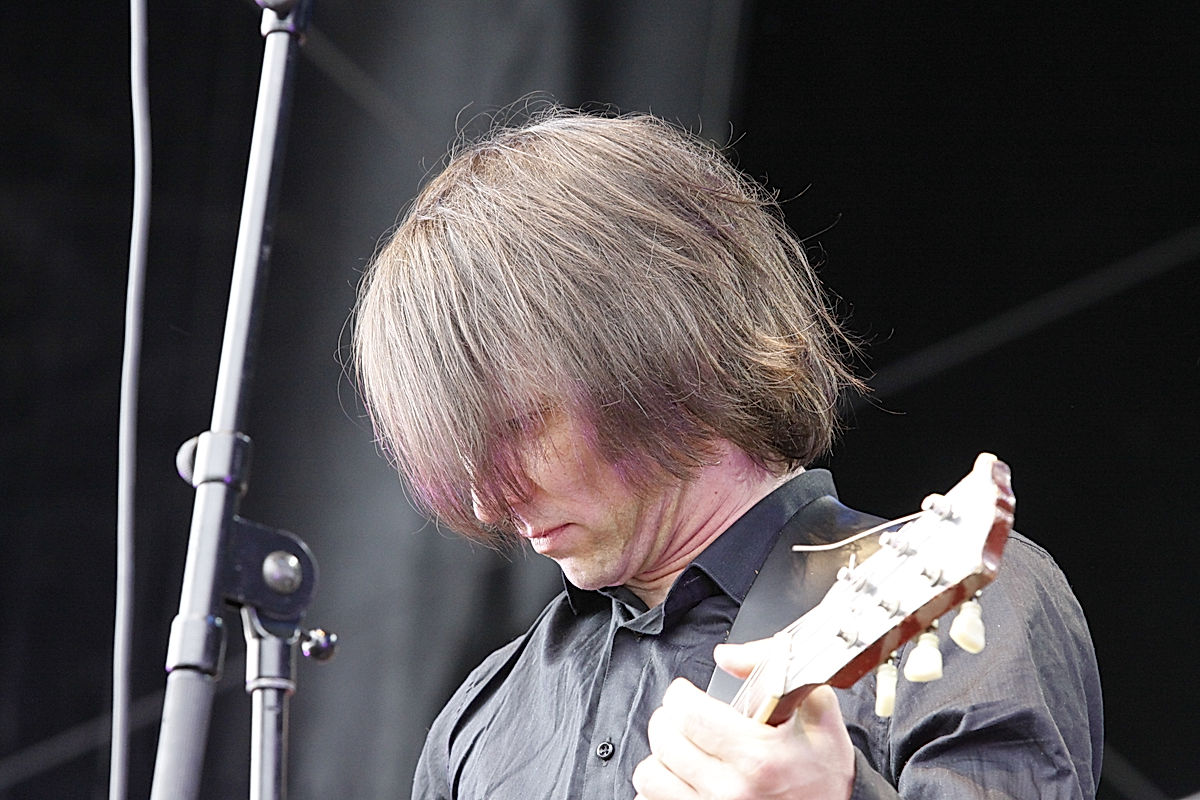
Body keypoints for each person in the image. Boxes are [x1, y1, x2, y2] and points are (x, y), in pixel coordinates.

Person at [352, 109, 1102, 799]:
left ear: (661, 352)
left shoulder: (963, 601)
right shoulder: (480, 723)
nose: (488, 502)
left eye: (515, 425)